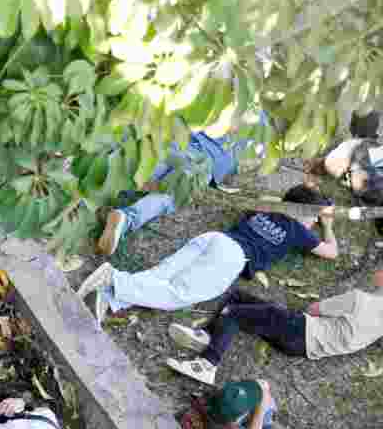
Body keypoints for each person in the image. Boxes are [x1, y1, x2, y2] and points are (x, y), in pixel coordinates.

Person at [77, 185, 339, 326]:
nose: (314, 223)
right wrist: (327, 226)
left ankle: (108, 299)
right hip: (233, 257)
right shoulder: (297, 230)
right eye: (314, 218)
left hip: (213, 239)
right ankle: (113, 279)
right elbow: (331, 252)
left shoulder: (265, 210)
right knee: (179, 295)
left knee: (160, 276)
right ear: (302, 213)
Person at [165, 270, 383, 382]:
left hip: (302, 328)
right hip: (303, 348)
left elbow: (314, 309)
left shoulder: (359, 299)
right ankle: (206, 337)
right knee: (238, 296)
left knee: (234, 313)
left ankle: (207, 365)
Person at [97, 127, 266, 256]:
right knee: (172, 196)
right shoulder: (263, 134)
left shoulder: (236, 92)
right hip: (202, 168)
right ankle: (126, 218)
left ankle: (108, 172)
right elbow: (241, 168)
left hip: (181, 143)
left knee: (142, 166)